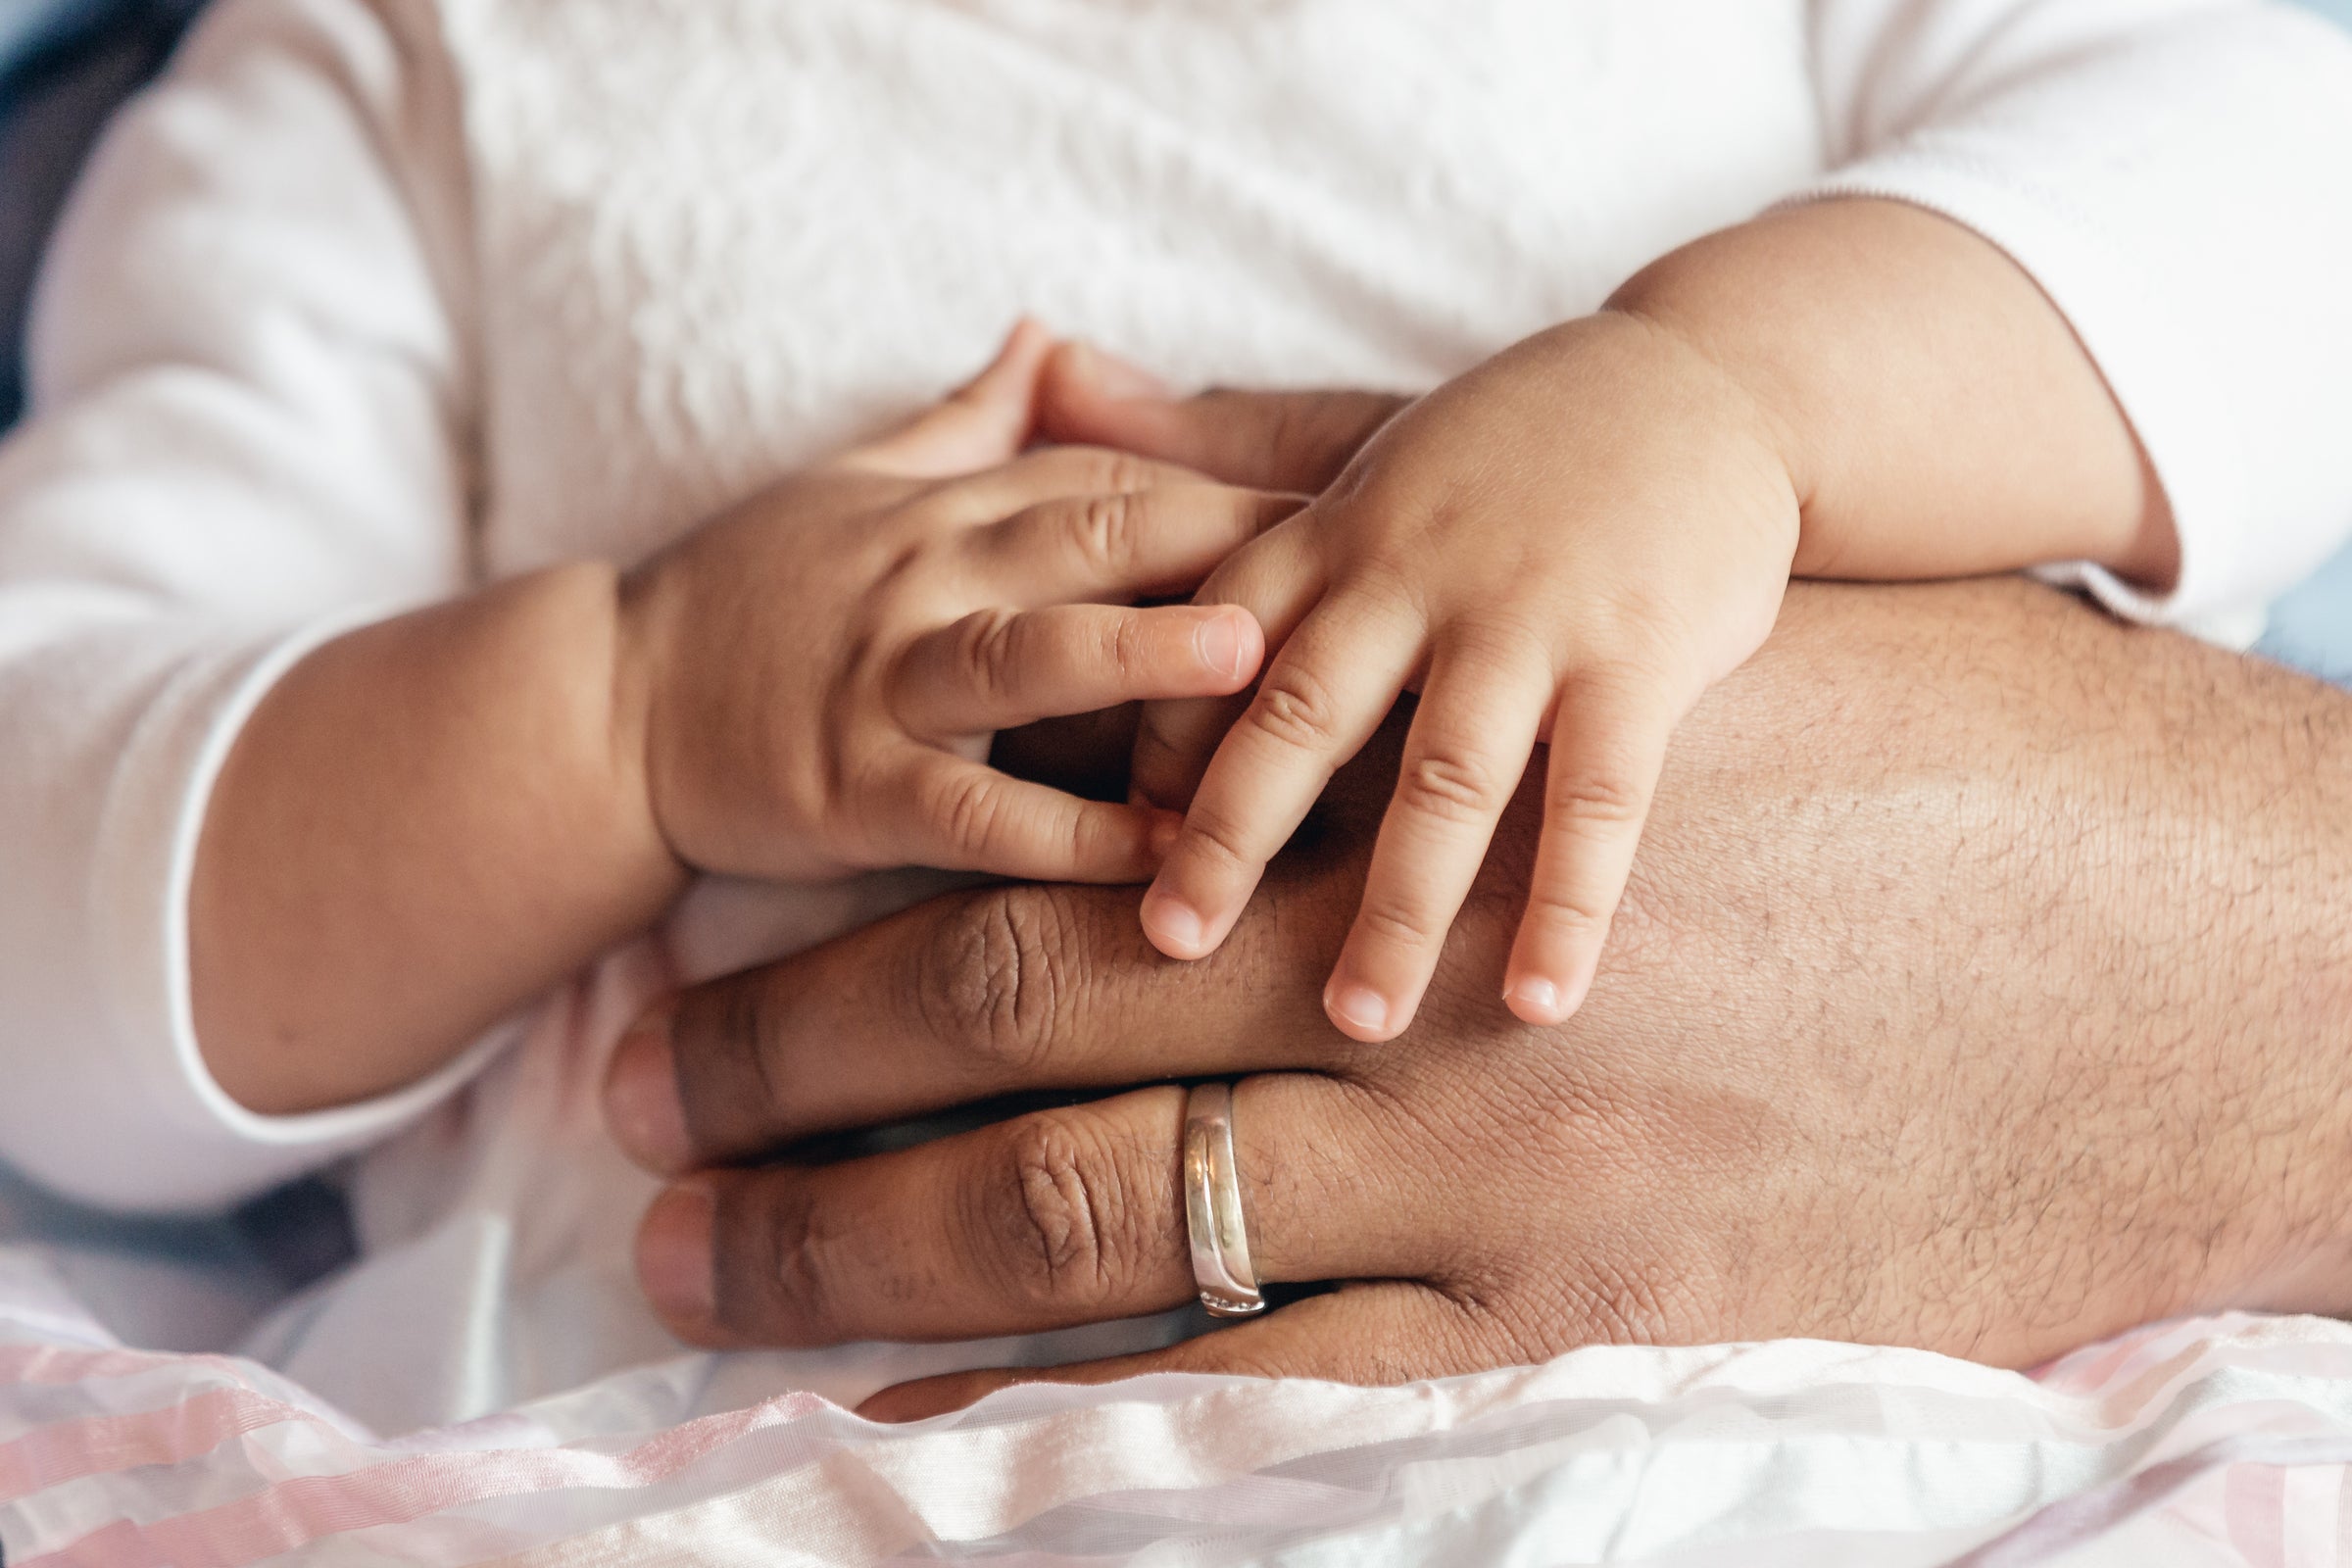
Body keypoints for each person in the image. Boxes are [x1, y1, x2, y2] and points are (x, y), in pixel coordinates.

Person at [0, 0, 2349, 1434]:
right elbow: (45, 876)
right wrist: (624, 705)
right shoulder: (397, 69)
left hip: (1803, 1392)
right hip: (726, 1439)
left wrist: (1730, 389)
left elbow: (2280, 194)